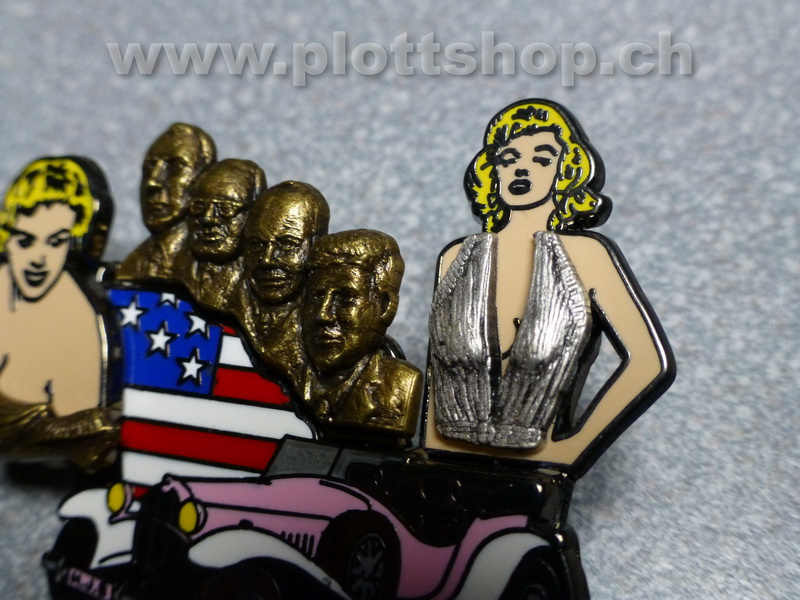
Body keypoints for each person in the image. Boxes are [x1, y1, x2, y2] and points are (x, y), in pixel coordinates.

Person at [427, 99, 675, 476]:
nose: (521, 168)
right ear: (492, 171)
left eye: (542, 159)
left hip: (535, 478)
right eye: (509, 158)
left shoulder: (587, 256)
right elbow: (436, 369)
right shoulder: (457, 257)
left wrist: (574, 448)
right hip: (438, 468)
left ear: (566, 170)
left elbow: (647, 363)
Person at [0, 157, 118, 471]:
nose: (38, 259)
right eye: (25, 240)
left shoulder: (80, 318)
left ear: (75, 243)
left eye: (55, 242)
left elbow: (81, 436)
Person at [301, 230, 422, 441]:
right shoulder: (285, 372)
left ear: (385, 307)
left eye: (346, 299)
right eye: (316, 297)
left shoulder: (400, 383)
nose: (323, 314)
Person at [234, 181, 329, 394]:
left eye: (287, 244)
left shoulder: (329, 332)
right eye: (256, 245)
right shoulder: (222, 308)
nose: (267, 260)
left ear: (318, 246)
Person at [118, 123, 217, 280]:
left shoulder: (210, 269)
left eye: (176, 166)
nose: (152, 182)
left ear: (204, 179)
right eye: (149, 167)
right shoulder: (133, 263)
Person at [173, 158, 266, 311]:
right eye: (199, 206)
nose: (208, 218)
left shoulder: (265, 283)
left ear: (254, 214)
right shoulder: (171, 267)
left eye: (226, 208)